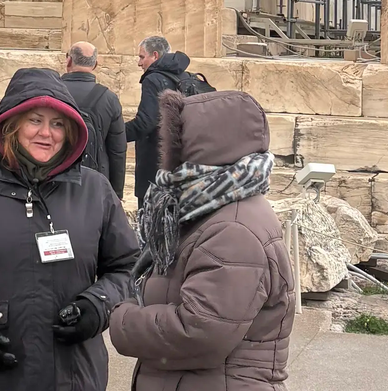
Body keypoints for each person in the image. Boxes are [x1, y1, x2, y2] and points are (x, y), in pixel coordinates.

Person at [0, 68, 139, 391]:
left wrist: (98, 305)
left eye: (58, 124)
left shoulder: (96, 190)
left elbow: (128, 266)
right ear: (12, 124)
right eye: (35, 120)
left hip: (73, 375)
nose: (46, 133)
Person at [110, 90, 294, 390]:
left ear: (204, 148)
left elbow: (200, 332)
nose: (169, 157)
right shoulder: (207, 210)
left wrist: (122, 319)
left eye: (175, 143)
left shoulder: (233, 229)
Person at [125, 35, 190, 207]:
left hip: (154, 164)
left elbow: (146, 123)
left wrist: (116, 133)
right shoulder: (182, 76)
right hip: (178, 162)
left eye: (141, 57)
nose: (139, 63)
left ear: (155, 55)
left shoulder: (153, 79)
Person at [61, 41, 127, 198]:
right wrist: (116, 194)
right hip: (95, 180)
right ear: (95, 64)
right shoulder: (109, 98)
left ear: (68, 61)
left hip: (56, 178)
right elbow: (117, 151)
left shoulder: (53, 92)